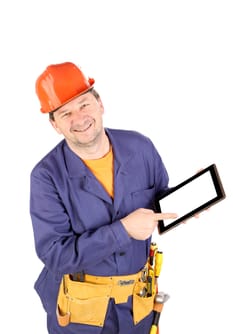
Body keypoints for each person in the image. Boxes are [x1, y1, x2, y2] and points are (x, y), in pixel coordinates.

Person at [29, 61, 179, 334]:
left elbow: (160, 202)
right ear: (55, 124)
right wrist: (123, 230)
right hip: (81, 317)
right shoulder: (46, 177)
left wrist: (181, 207)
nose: (79, 118)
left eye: (84, 104)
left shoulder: (141, 148)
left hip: (137, 308)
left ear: (100, 103)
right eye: (65, 113)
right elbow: (56, 255)